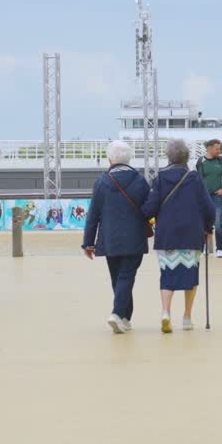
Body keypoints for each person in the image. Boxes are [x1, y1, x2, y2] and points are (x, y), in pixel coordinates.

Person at [143, 139, 215, 333]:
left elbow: (150, 207)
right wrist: (208, 226)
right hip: (192, 234)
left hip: (167, 235)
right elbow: (209, 208)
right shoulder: (194, 178)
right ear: (187, 157)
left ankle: (166, 313)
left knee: (167, 275)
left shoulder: (159, 178)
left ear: (168, 156)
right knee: (190, 276)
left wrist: (141, 215)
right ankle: (187, 317)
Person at [82, 140, 150, 334]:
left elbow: (93, 214)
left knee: (117, 278)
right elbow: (149, 207)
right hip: (134, 236)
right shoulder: (139, 180)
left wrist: (88, 243)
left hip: (109, 238)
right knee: (126, 277)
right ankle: (117, 314)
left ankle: (125, 318)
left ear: (110, 159)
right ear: (129, 159)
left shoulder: (102, 182)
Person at [196, 139, 222, 258]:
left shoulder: (221, 161)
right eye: (217, 148)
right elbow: (198, 180)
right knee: (204, 223)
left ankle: (219, 249)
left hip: (217, 197)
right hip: (204, 198)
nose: (219, 150)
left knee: (218, 223)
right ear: (209, 148)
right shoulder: (201, 161)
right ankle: (205, 246)